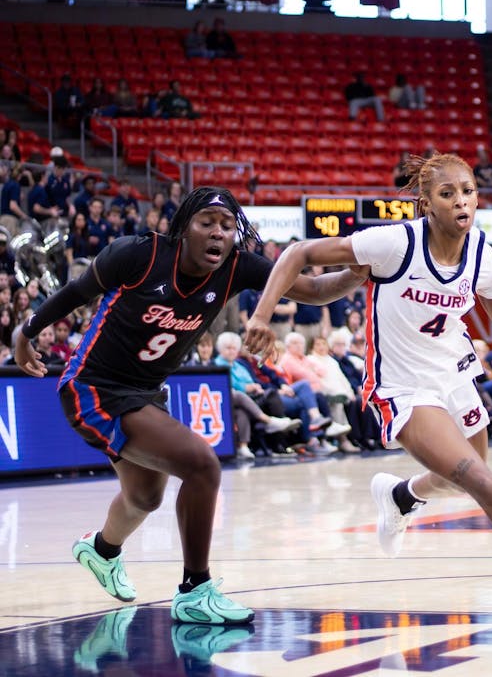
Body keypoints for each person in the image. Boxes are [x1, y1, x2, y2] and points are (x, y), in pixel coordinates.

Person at [243, 152, 492, 624]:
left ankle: (402, 497)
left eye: (467, 191)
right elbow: (299, 255)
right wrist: (262, 316)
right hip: (404, 386)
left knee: (465, 478)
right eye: (447, 194)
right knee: (489, 488)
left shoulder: (482, 258)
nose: (460, 201)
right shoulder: (393, 243)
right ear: (426, 202)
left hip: (454, 373)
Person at [11, 187, 364, 626]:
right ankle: (195, 591)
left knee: (145, 497)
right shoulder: (139, 254)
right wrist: (25, 332)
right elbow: (76, 291)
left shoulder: (237, 266)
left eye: (226, 225)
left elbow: (311, 288)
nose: (218, 232)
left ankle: (101, 551)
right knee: (202, 465)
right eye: (207, 223)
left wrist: (358, 272)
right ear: (183, 228)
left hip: (145, 392)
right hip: (93, 387)